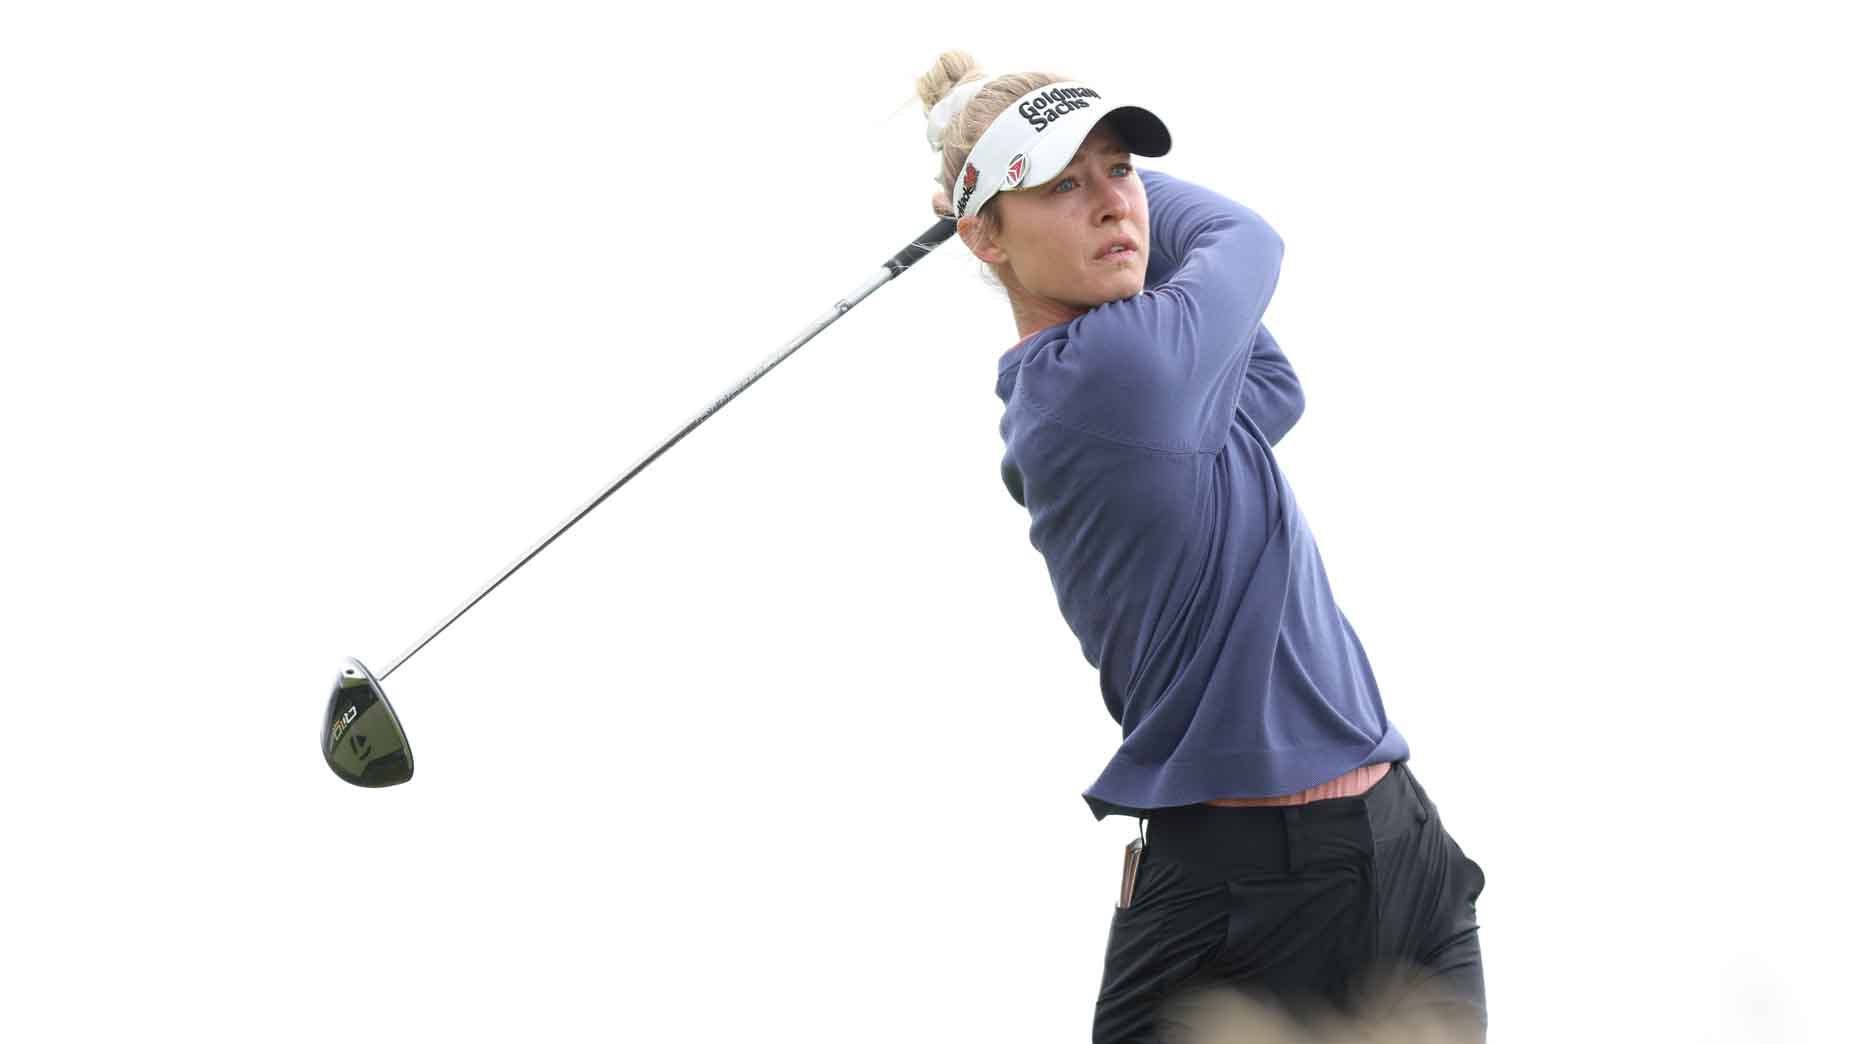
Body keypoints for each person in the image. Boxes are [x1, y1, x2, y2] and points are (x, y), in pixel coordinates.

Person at [914, 51, 1488, 1043]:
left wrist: (1023, 172)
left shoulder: (1150, 381)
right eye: (1061, 186)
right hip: (1284, 881)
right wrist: (1020, 175)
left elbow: (1274, 390)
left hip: (1354, 852)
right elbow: (1243, 238)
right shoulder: (1114, 373)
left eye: (1120, 170)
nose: (1112, 203)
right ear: (984, 238)